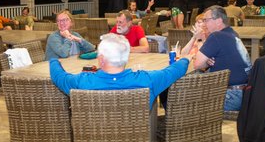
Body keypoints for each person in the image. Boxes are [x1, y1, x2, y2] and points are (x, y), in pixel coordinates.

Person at [49, 33, 191, 109]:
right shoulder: (147, 80)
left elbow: (59, 76)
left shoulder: (82, 81)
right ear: (126, 57)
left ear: (102, 59)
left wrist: (54, 61)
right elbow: (173, 71)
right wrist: (186, 59)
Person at [194, 5, 252, 111]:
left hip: (230, 96)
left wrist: (199, 41)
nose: (204, 24)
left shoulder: (216, 36)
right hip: (245, 93)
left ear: (218, 21)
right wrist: (207, 61)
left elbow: (197, 64)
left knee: (185, 100)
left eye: (206, 20)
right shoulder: (233, 33)